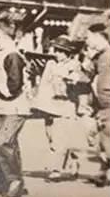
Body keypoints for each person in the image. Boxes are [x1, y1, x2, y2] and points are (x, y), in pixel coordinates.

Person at [0, 9, 29, 197]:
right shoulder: (2, 54)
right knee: (9, 144)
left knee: (2, 142)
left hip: (14, 107)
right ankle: (12, 180)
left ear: (0, 35)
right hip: (3, 106)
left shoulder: (12, 55)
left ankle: (13, 179)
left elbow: (14, 85)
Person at [32, 35, 81, 182]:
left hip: (66, 105)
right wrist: (39, 102)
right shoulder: (51, 64)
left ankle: (56, 169)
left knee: (59, 138)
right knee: (51, 136)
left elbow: (77, 80)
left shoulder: (74, 64)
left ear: (68, 53)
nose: (57, 53)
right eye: (56, 50)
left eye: (61, 51)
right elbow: (44, 83)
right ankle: (73, 159)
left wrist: (68, 77)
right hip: (50, 104)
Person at [83, 11, 110, 187]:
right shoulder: (98, 57)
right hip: (100, 102)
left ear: (97, 37)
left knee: (108, 134)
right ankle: (103, 172)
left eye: (88, 37)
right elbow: (88, 76)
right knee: (103, 136)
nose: (87, 41)